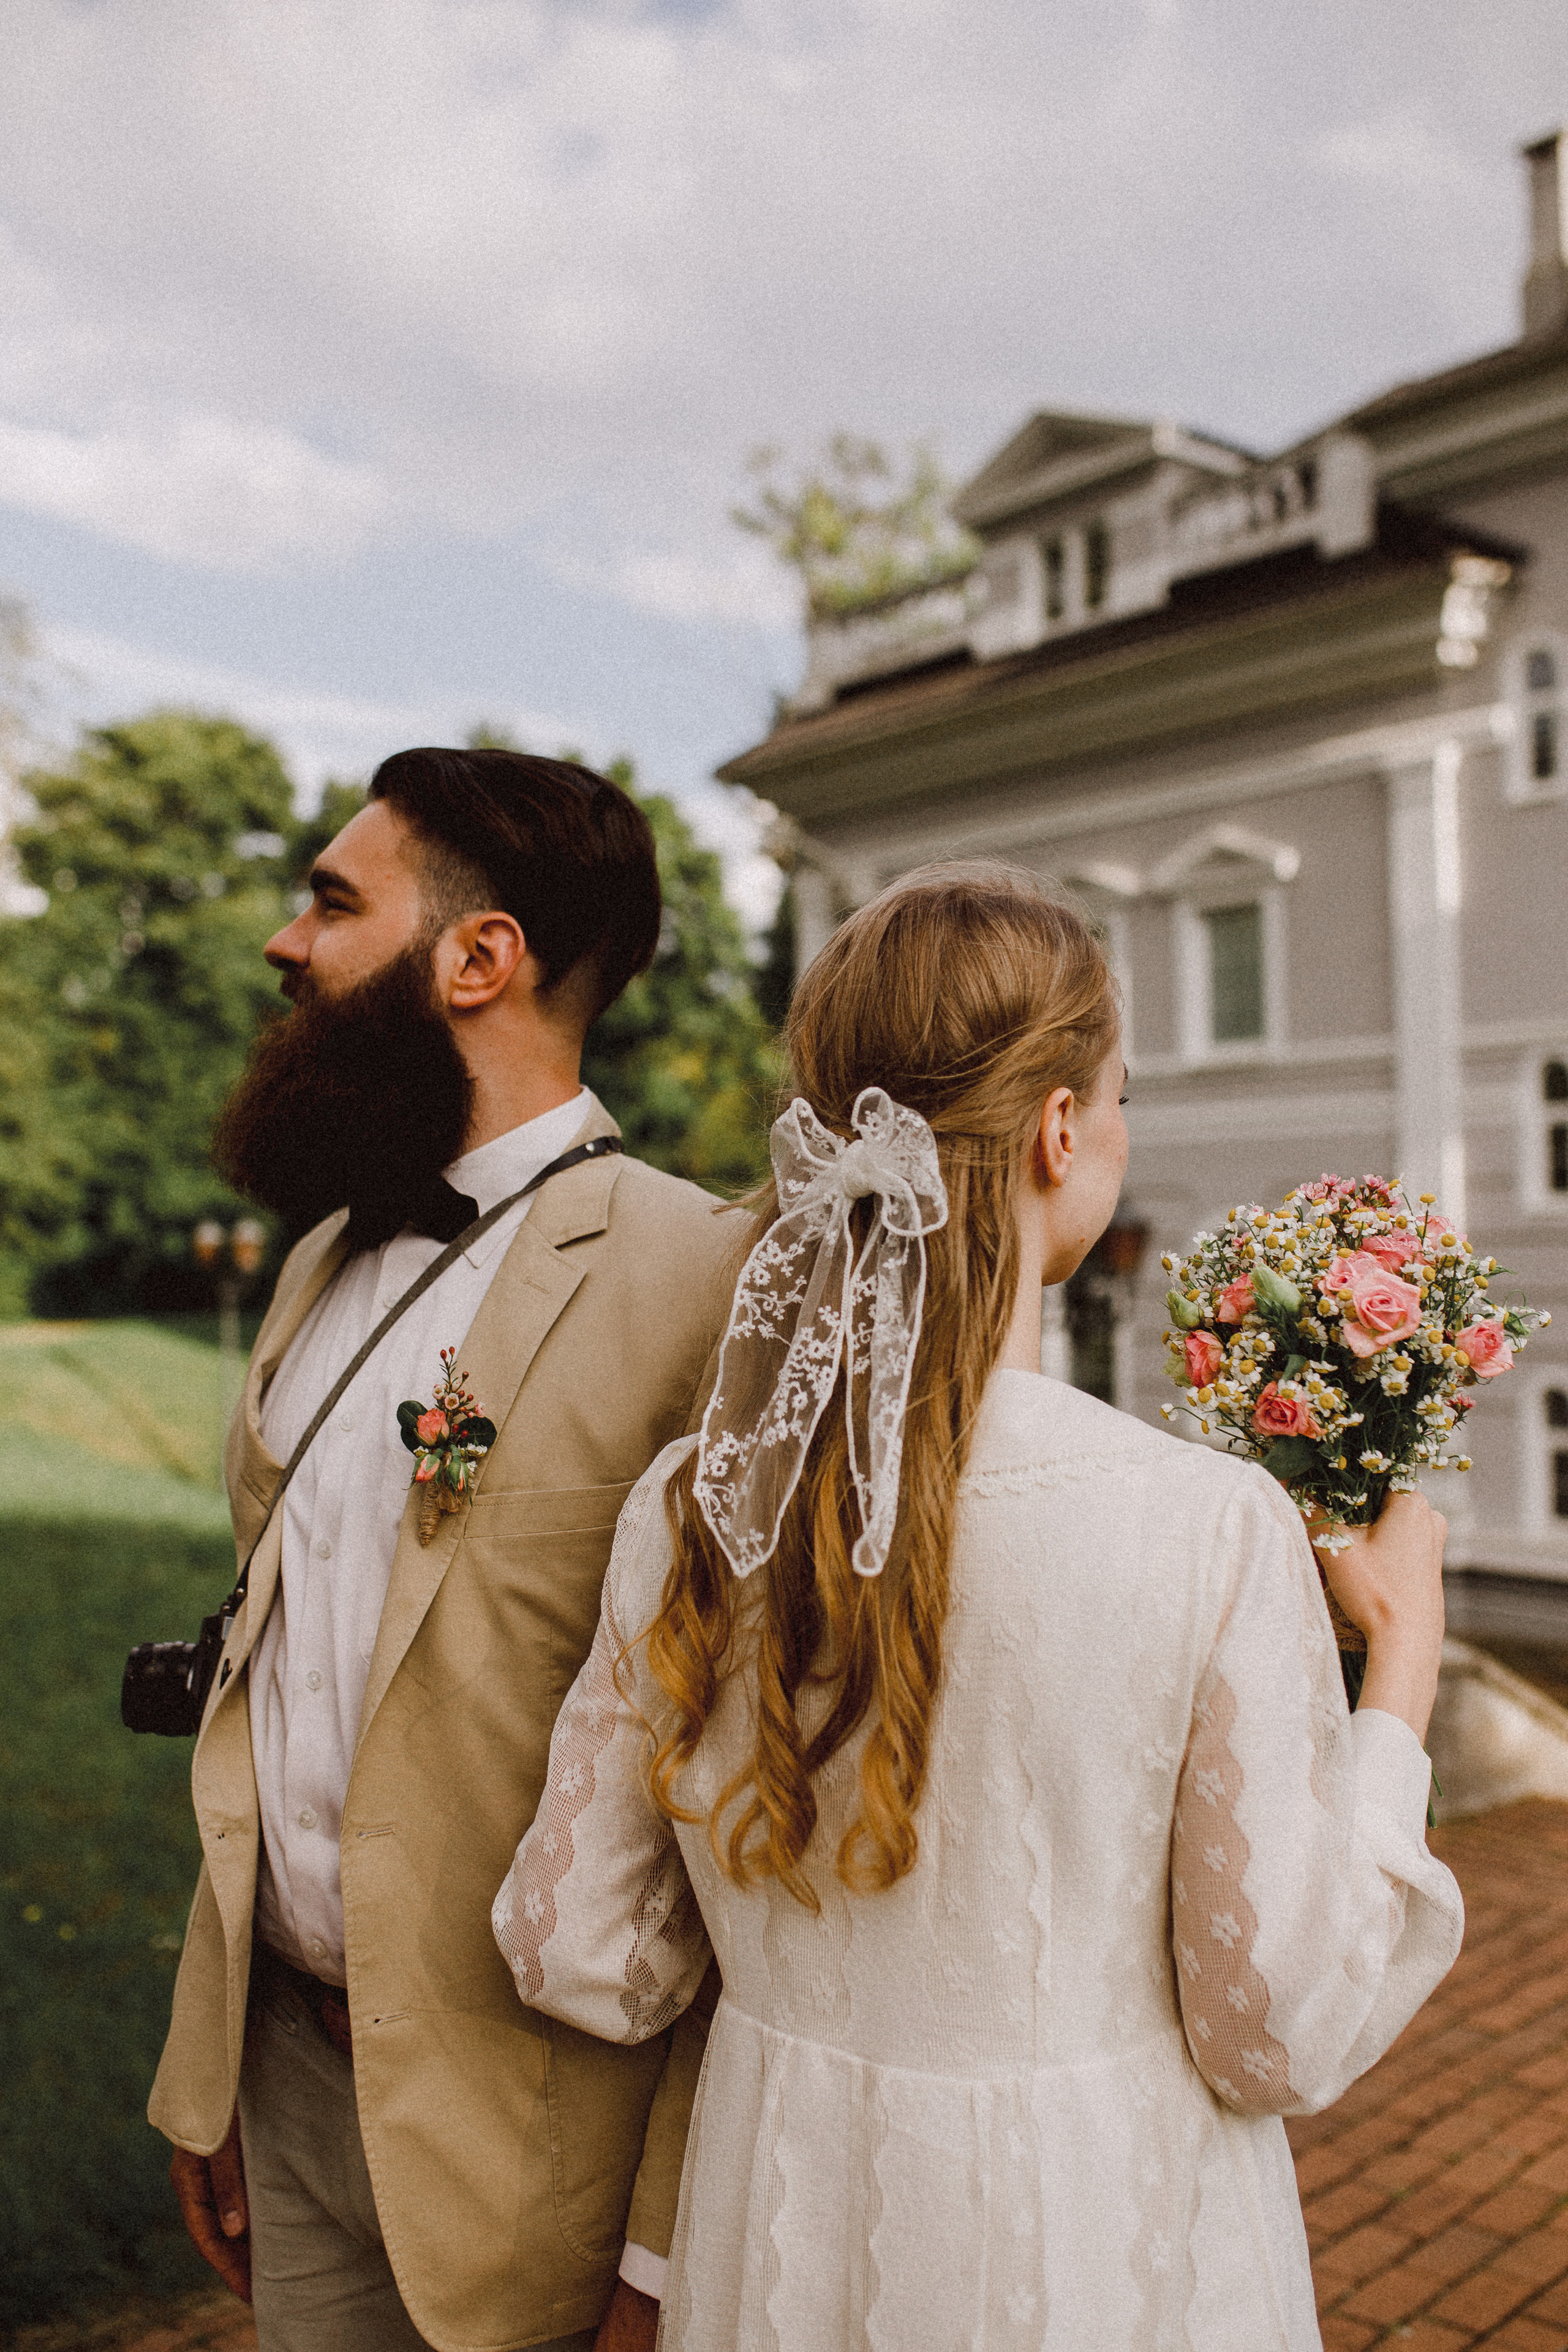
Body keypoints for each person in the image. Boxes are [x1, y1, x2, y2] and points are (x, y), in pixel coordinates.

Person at [494, 859, 1463, 2352]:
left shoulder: (701, 1506)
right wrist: (1397, 1668)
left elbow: (581, 1952)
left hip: (783, 2230)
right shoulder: (1205, 1527)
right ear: (1061, 1129)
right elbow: (1274, 2022)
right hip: (1101, 2248)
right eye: (1120, 1095)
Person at [148, 747, 742, 2352]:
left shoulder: (703, 1277)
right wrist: (215, 2075)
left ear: (481, 959)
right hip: (287, 2093)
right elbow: (275, 1676)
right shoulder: (329, 1254)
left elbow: (737, 1803)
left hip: (537, 2155)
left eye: (333, 903)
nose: (289, 943)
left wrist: (668, 2260)